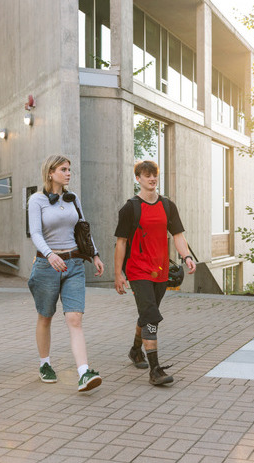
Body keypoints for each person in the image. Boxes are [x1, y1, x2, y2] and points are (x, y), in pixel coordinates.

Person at [27, 154, 105, 392]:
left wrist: (95, 254)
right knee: (45, 316)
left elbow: (83, 228)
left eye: (69, 169)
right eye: (63, 169)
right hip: (46, 265)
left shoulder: (73, 199)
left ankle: (84, 372)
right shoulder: (37, 200)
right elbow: (36, 233)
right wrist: (50, 254)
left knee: (75, 318)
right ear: (50, 173)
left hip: (74, 264)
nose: (69, 173)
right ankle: (45, 364)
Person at [114, 160, 196, 386]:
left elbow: (178, 234)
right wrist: (118, 274)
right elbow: (121, 243)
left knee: (147, 312)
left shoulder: (167, 206)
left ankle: (135, 351)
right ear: (138, 178)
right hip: (137, 270)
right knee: (151, 315)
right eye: (147, 175)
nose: (152, 179)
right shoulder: (130, 208)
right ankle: (155, 370)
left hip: (160, 271)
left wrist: (186, 256)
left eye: (155, 175)